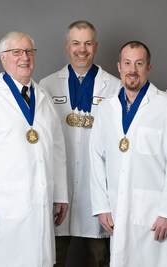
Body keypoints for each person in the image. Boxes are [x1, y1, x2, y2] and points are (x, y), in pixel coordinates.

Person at [0, 31, 68, 267]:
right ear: (3, 58)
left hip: (40, 200)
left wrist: (60, 194)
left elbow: (57, 150)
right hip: (3, 205)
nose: (24, 57)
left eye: (29, 51)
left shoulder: (43, 97)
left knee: (39, 259)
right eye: (16, 52)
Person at [89, 41, 167, 267]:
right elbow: (96, 159)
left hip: (155, 214)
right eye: (127, 63)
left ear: (148, 68)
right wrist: (102, 206)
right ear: (119, 67)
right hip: (117, 209)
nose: (132, 70)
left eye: (139, 63)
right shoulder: (106, 108)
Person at [39, 20, 121, 267]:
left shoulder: (114, 87)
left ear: (95, 46)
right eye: (76, 43)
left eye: (87, 43)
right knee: (53, 257)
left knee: (99, 257)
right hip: (59, 187)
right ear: (67, 46)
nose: (81, 49)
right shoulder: (47, 85)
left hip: (97, 188)